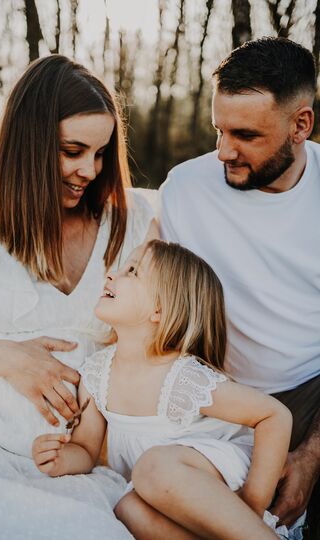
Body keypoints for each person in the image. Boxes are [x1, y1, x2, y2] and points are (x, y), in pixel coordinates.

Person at [0, 54, 156, 539]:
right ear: (28, 142)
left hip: (83, 461)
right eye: (73, 150)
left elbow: (163, 345)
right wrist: (2, 356)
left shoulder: (134, 227)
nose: (89, 169)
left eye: (102, 152)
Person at [158, 37, 320, 537]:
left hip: (311, 391)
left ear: (300, 125)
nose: (224, 151)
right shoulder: (185, 189)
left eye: (246, 135)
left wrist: (311, 454)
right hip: (216, 397)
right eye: (219, 130)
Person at [33, 239, 292, 540]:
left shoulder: (182, 379)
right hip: (159, 493)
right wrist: (61, 458)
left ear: (159, 309)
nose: (112, 274)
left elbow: (274, 416)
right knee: (128, 509)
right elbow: (86, 449)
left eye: (132, 271)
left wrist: (252, 504)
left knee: (153, 466)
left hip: (218, 480)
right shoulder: (96, 373)